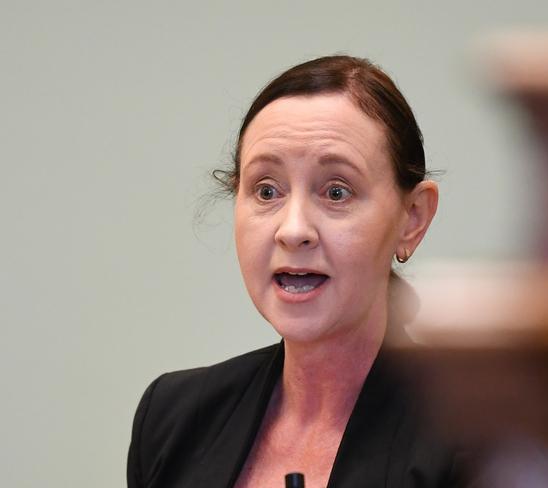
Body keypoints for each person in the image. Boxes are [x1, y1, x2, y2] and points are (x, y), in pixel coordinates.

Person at [127, 55, 470, 488]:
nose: (293, 231)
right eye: (266, 190)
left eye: (336, 192)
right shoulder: (174, 419)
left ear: (413, 217)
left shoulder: (474, 439)